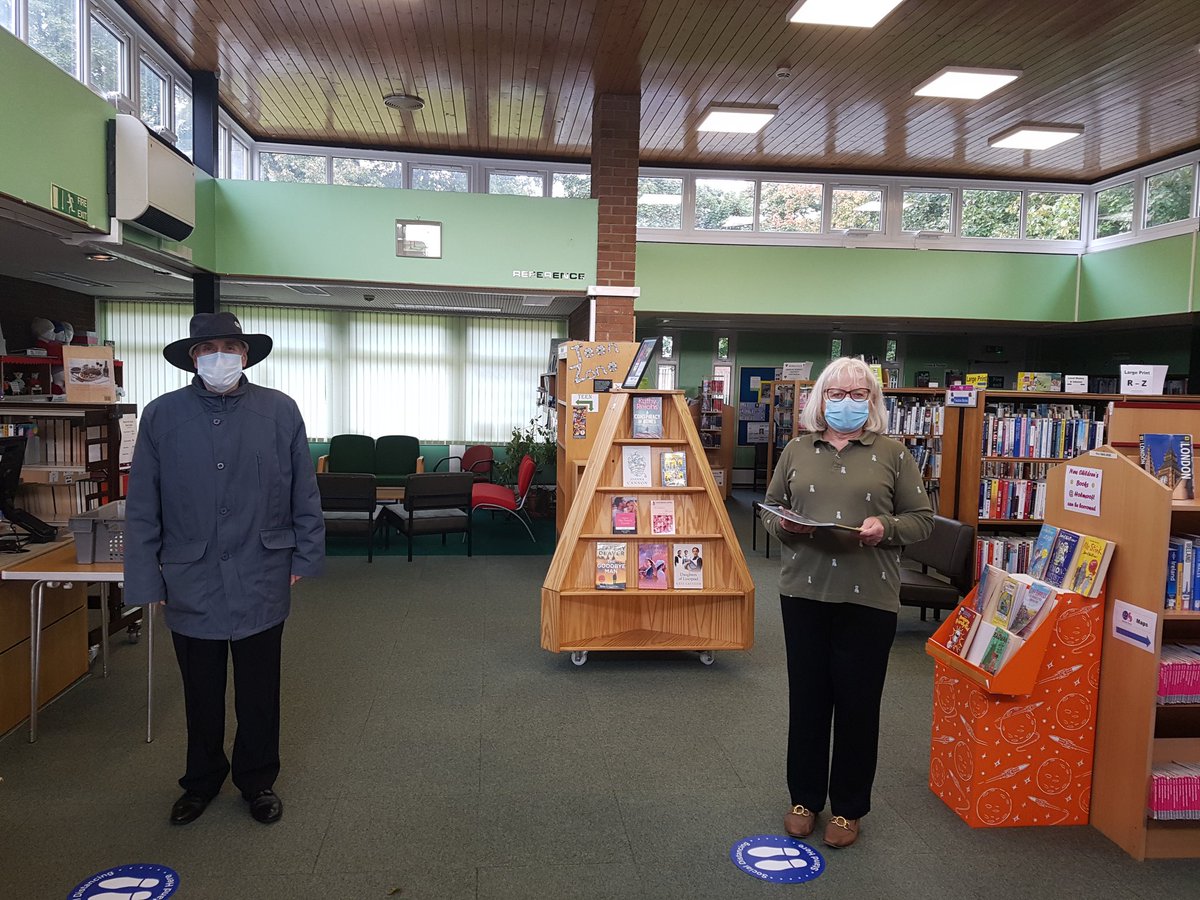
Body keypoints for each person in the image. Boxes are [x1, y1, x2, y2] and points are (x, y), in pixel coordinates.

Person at [125, 312, 325, 826]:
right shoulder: (162, 416)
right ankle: (201, 781)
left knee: (260, 691)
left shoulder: (280, 412)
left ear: (245, 354)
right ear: (193, 357)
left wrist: (304, 555)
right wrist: (148, 577)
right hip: (190, 577)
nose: (220, 356)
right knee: (201, 691)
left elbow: (304, 489)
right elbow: (144, 504)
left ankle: (258, 780)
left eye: (230, 346)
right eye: (209, 347)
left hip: (263, 569)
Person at [759, 357, 932, 849]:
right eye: (838, 393)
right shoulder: (796, 449)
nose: (848, 402)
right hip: (804, 592)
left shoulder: (894, 454)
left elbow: (922, 518)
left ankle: (849, 807)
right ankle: (805, 798)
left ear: (873, 402)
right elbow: (770, 509)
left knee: (858, 705)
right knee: (808, 699)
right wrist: (784, 524)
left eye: (860, 394)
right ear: (821, 399)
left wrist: (888, 529)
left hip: (869, 597)